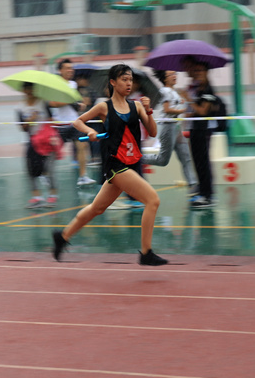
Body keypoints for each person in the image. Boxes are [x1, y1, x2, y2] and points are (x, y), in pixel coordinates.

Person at [52, 64, 167, 266]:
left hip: (131, 163)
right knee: (153, 200)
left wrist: (149, 111)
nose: (129, 83)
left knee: (96, 208)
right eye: (124, 79)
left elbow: (153, 132)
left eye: (130, 80)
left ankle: (62, 237)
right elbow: (78, 122)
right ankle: (146, 252)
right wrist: (90, 131)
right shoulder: (104, 107)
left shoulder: (137, 106)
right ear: (113, 82)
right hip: (116, 164)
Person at [142, 70, 197, 194]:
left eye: (175, 74)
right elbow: (167, 110)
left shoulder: (173, 91)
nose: (174, 76)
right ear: (165, 79)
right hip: (168, 127)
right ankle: (138, 158)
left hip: (176, 127)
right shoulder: (165, 91)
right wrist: (183, 110)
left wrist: (181, 102)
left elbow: (174, 104)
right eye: (171, 75)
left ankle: (193, 185)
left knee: (185, 156)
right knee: (162, 160)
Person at [49, 58, 96, 186]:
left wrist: (80, 105)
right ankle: (46, 174)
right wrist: (69, 101)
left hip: (75, 122)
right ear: (60, 70)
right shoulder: (55, 84)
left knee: (82, 146)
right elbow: (53, 103)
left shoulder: (73, 84)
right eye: (67, 68)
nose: (70, 70)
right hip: (60, 124)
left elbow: (74, 102)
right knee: (53, 151)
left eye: (71, 68)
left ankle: (83, 176)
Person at [18, 82, 60, 208]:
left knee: (49, 169)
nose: (29, 91)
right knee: (31, 169)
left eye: (31, 89)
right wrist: (30, 120)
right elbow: (22, 128)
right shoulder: (20, 108)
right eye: (27, 89)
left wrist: (51, 133)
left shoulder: (43, 103)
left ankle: (52, 195)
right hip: (31, 142)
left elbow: (52, 120)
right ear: (23, 91)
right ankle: (37, 197)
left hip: (47, 141)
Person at [186, 59, 218, 209]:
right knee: (197, 161)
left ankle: (208, 195)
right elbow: (194, 111)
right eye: (195, 70)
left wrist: (188, 99)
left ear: (206, 72)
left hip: (204, 130)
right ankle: (202, 190)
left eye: (200, 70)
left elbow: (203, 111)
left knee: (203, 162)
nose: (197, 73)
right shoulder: (197, 88)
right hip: (195, 128)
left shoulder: (208, 89)